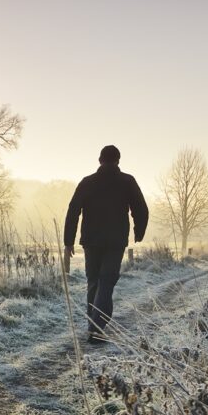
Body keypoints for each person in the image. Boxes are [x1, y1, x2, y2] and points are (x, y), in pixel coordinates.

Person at [64, 145, 148, 344]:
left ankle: (93, 325)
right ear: (118, 161)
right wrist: (139, 231)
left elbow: (73, 210)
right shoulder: (127, 181)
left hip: (91, 241)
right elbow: (141, 208)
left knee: (93, 281)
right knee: (106, 281)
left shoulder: (87, 182)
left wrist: (68, 241)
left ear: (100, 160)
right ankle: (96, 327)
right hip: (115, 241)